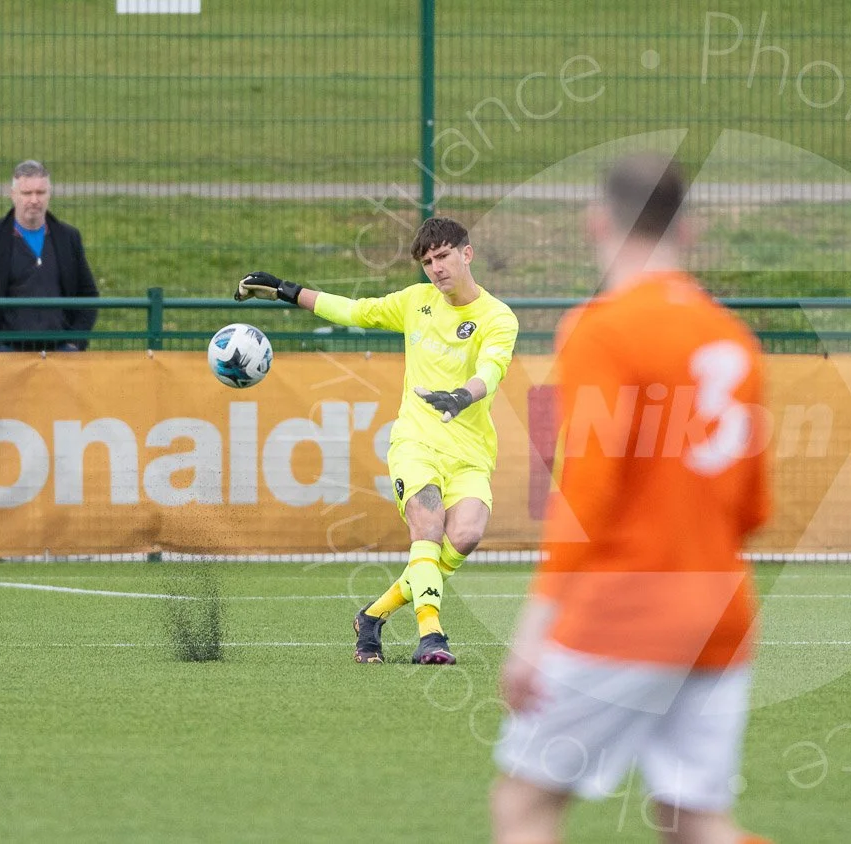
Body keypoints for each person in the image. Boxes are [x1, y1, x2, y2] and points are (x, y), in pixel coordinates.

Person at [491, 154, 772, 844]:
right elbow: (754, 510)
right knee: (693, 819)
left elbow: (586, 492)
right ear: (692, 230)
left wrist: (534, 631)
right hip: (720, 611)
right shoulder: (733, 339)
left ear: (597, 224)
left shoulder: (603, 329)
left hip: (625, 611)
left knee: (524, 806)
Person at [234, 216, 518, 665]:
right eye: (427, 261)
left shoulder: (497, 316)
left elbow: (492, 370)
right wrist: (287, 290)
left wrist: (461, 396)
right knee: (427, 532)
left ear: (467, 254)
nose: (436, 268)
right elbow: (353, 310)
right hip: (416, 444)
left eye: (443, 256)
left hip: (470, 453)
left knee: (463, 537)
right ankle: (432, 635)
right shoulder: (415, 302)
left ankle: (372, 616)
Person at [0, 160, 99, 352]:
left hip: (58, 356)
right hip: (4, 358)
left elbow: (88, 295)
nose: (34, 200)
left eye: (40, 192)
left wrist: (74, 342)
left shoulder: (68, 237)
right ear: (13, 194)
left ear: (50, 194)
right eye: (26, 193)